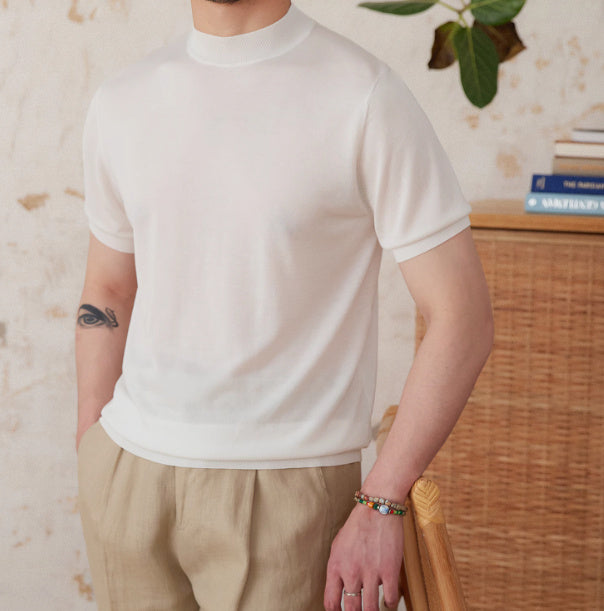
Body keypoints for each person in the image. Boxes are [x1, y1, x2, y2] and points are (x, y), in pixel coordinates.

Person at [75, 0, 493, 609]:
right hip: (127, 480)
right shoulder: (122, 101)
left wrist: (383, 500)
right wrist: (90, 444)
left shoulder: (364, 96)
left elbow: (463, 318)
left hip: (288, 490)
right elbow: (108, 288)